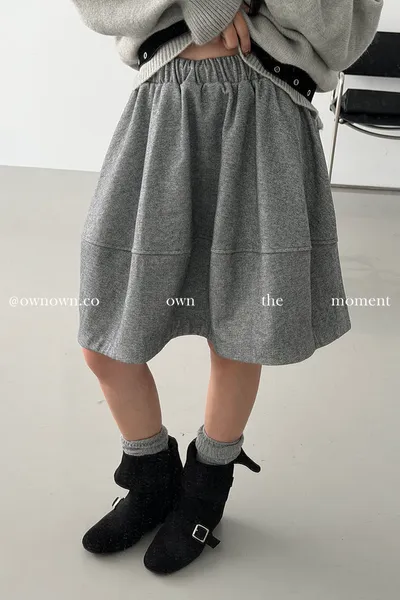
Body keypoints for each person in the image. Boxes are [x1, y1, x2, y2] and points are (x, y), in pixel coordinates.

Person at [71, 0, 383, 574]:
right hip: (162, 108)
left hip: (267, 110)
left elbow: (341, 27)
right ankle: (151, 477)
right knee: (105, 334)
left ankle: (206, 486)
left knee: (240, 325)